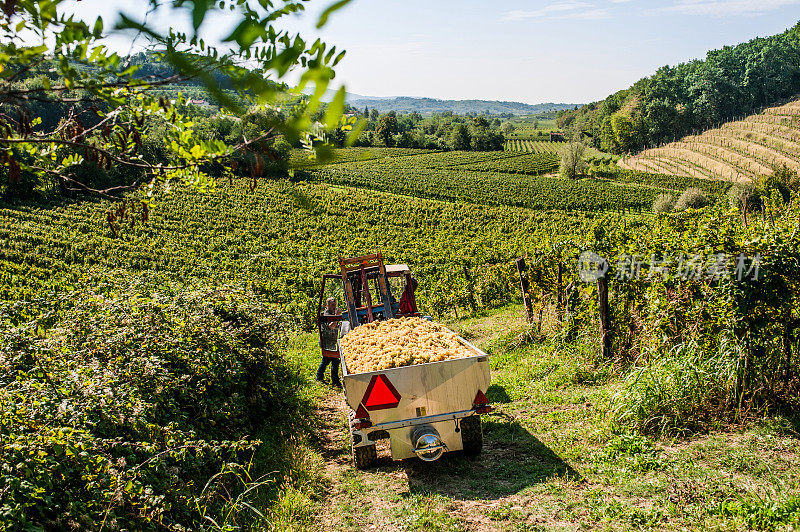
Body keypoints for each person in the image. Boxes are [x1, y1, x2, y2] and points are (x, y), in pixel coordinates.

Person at [317, 297, 342, 387]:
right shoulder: (326, 314)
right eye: (332, 305)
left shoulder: (333, 313)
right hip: (326, 341)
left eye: (335, 305)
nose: (334, 307)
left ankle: (320, 376)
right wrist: (337, 315)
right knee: (333, 360)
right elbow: (331, 326)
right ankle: (335, 381)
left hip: (332, 342)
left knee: (327, 360)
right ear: (327, 306)